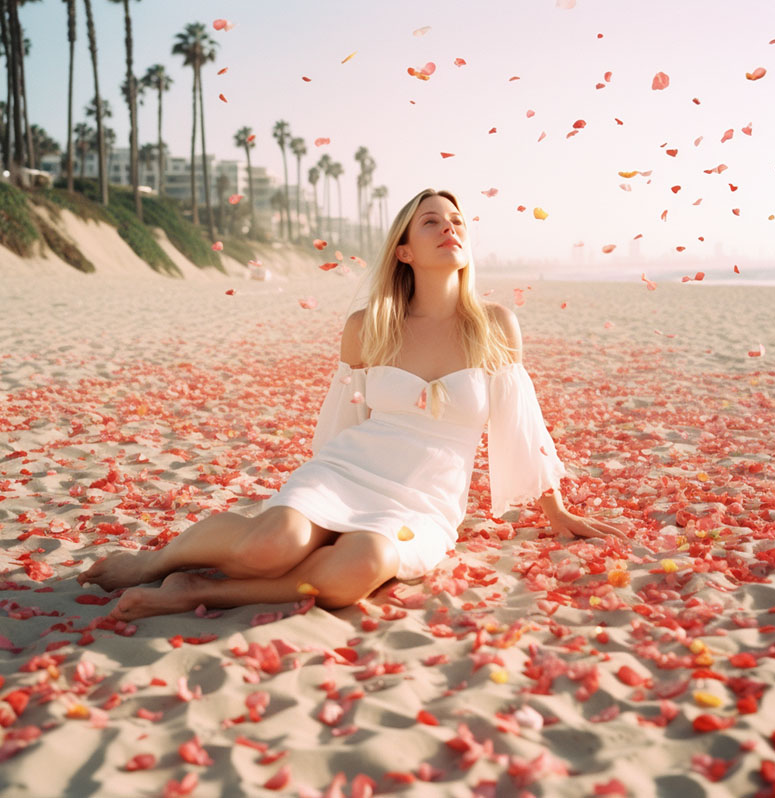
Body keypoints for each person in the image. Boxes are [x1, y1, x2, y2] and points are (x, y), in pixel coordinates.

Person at [78, 188, 627, 620]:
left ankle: (196, 592)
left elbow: (518, 423)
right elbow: (342, 425)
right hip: (350, 469)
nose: (449, 228)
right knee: (276, 541)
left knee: (360, 569)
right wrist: (319, 500)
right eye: (432, 221)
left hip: (422, 500)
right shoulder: (369, 327)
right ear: (405, 251)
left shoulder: (495, 325)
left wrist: (553, 508)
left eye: (456, 221)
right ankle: (155, 563)